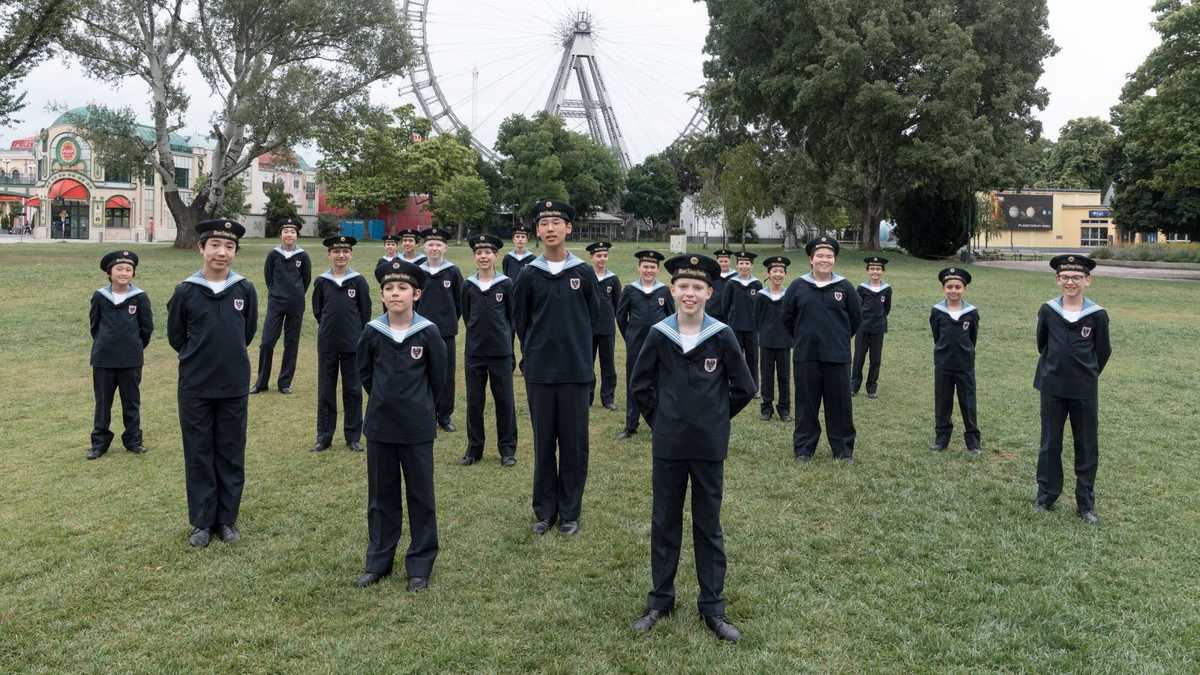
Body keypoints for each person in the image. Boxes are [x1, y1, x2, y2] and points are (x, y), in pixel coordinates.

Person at [628, 253, 755, 643]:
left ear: (709, 293)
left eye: (698, 287)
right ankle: (660, 600)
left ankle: (712, 607)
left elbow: (745, 388)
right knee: (664, 521)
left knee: (708, 524)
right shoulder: (658, 333)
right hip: (668, 444)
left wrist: (716, 419)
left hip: (707, 446)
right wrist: (662, 421)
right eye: (683, 286)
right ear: (672, 290)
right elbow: (640, 387)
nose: (690, 293)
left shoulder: (722, 334)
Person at [354, 260, 445, 591]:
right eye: (389, 288)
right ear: (381, 296)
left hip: (417, 429)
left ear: (416, 294)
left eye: (403, 288)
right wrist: (383, 400)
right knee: (381, 498)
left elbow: (440, 380)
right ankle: (378, 561)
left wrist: (424, 411)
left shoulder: (429, 333)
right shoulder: (372, 332)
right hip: (380, 427)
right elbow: (365, 374)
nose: (396, 293)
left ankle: (420, 565)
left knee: (421, 497)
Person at [167, 219, 258, 548]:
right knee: (199, 452)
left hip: (233, 384)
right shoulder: (186, 291)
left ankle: (226, 519)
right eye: (215, 246)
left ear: (235, 252)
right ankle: (203, 522)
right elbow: (176, 336)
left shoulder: (245, 289)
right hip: (195, 386)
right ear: (201, 248)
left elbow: (247, 333)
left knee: (231, 451)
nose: (222, 252)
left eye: (229, 247)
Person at [512, 199, 599, 536]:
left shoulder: (583, 273)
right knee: (544, 442)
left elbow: (595, 318)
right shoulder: (528, 274)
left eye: (556, 222)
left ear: (568, 228)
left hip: (576, 372)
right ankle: (544, 511)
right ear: (537, 230)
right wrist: (534, 353)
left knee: (575, 444)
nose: (550, 228)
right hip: (541, 373)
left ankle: (570, 511)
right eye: (544, 223)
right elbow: (520, 321)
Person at [1034, 255, 1111, 525]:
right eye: (1065, 277)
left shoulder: (1097, 315)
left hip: (1084, 389)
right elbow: (1042, 343)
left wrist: (1085, 373)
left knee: (1087, 445)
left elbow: (1102, 352)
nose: (1070, 281)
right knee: (1050, 442)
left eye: (1077, 277)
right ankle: (1046, 495)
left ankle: (1085, 504)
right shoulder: (1048, 311)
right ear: (1058, 280)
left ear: (1087, 280)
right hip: (1052, 386)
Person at [782, 237, 862, 463]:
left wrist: (838, 340)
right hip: (806, 356)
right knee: (806, 404)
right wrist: (802, 338)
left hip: (837, 356)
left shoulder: (845, 287)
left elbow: (856, 319)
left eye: (829, 256)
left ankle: (843, 449)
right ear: (811, 259)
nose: (824, 260)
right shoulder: (798, 286)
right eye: (820, 255)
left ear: (834, 259)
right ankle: (804, 449)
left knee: (839, 405)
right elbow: (787, 318)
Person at [459, 233, 518, 467]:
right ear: (475, 257)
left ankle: (507, 450)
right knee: (475, 401)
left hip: (501, 352)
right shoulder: (468, 285)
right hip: (474, 352)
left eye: (488, 252)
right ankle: (474, 449)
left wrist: (508, 345)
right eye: (479, 253)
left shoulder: (506, 284)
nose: (483, 256)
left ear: (496, 255)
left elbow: (512, 318)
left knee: (504, 401)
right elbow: (466, 315)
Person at [88, 250, 153, 459]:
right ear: (109, 272)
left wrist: (133, 346)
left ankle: (133, 440)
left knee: (131, 402)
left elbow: (147, 329)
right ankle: (99, 443)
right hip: (104, 359)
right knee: (103, 403)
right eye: (119, 269)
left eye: (128, 269)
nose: (124, 273)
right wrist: (105, 343)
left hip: (130, 359)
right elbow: (94, 326)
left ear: (133, 273)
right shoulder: (100, 296)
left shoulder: (140, 297)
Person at [310, 235, 372, 453]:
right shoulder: (321, 281)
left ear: (351, 254)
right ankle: (324, 436)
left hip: (353, 344)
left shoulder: (358, 281)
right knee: (326, 391)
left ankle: (353, 436)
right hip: (327, 343)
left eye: (345, 251)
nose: (341, 255)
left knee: (353, 390)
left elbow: (365, 313)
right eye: (336, 251)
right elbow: (318, 311)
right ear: (329, 254)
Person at [616, 249, 673, 439]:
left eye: (652, 267)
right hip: (636, 346)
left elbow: (672, 316)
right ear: (639, 268)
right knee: (634, 383)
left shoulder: (664, 290)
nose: (649, 270)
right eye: (645, 266)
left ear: (657, 269)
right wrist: (630, 336)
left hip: (660, 347)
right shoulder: (630, 290)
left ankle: (658, 422)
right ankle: (631, 424)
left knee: (658, 383)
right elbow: (621, 317)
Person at [252, 218, 310, 394]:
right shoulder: (273, 255)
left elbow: (306, 280)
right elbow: (268, 278)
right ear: (281, 235)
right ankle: (261, 383)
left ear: (296, 235)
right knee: (267, 342)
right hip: (276, 303)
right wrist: (277, 292)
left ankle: (284, 383)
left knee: (291, 343)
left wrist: (296, 293)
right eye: (286, 231)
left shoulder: (302, 256)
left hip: (296, 304)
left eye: (292, 231)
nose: (289, 234)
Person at [928, 267, 981, 454]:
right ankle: (942, 438)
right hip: (943, 363)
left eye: (957, 287)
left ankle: (973, 441)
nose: (953, 291)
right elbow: (937, 335)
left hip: (965, 364)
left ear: (964, 289)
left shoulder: (971, 312)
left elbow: (972, 337)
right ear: (944, 289)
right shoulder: (937, 311)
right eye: (949, 287)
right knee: (943, 402)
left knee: (968, 402)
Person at [416, 228, 463, 432]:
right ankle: (425, 413)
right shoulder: (418, 271)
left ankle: (444, 415)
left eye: (438, 245)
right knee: (422, 372)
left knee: (446, 373)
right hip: (421, 331)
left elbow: (460, 302)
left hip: (445, 331)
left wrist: (450, 320)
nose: (434, 248)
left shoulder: (452, 271)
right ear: (424, 247)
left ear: (445, 247)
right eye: (430, 244)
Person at [755, 255, 791, 422]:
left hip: (784, 342)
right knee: (767, 376)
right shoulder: (761, 296)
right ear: (768, 274)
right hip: (767, 342)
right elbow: (757, 318)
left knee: (784, 377)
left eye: (781, 271)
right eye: (774, 271)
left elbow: (793, 319)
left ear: (785, 274)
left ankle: (784, 409)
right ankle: (766, 408)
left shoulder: (789, 295)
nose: (777, 274)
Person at [851, 256, 892, 400]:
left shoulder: (886, 289)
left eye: (878, 269)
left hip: (878, 329)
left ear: (883, 271)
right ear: (867, 270)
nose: (875, 271)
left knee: (875, 359)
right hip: (863, 328)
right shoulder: (862, 288)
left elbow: (886, 309)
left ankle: (871, 388)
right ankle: (854, 386)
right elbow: (857, 308)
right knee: (858, 358)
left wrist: (879, 319)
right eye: (872, 269)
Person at [720, 250, 762, 389]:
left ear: (752, 265)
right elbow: (725, 307)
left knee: (752, 358)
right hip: (735, 327)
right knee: (735, 357)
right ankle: (734, 384)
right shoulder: (732, 284)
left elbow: (760, 308)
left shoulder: (757, 284)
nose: (744, 266)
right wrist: (729, 324)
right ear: (737, 266)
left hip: (752, 328)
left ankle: (753, 386)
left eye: (747, 263)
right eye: (741, 263)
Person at [588, 241, 621, 410]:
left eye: (605, 256)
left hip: (607, 329)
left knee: (608, 364)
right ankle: (587, 397)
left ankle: (608, 398)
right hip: (588, 329)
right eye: (598, 256)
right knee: (587, 364)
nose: (602, 259)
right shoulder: (585, 277)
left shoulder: (613, 279)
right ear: (591, 257)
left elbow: (618, 305)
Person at [704, 248, 735, 321]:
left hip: (730, 312)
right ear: (716, 261)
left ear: (730, 262)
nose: (723, 264)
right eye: (721, 261)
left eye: (726, 261)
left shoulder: (735, 277)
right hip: (712, 311)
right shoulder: (711, 276)